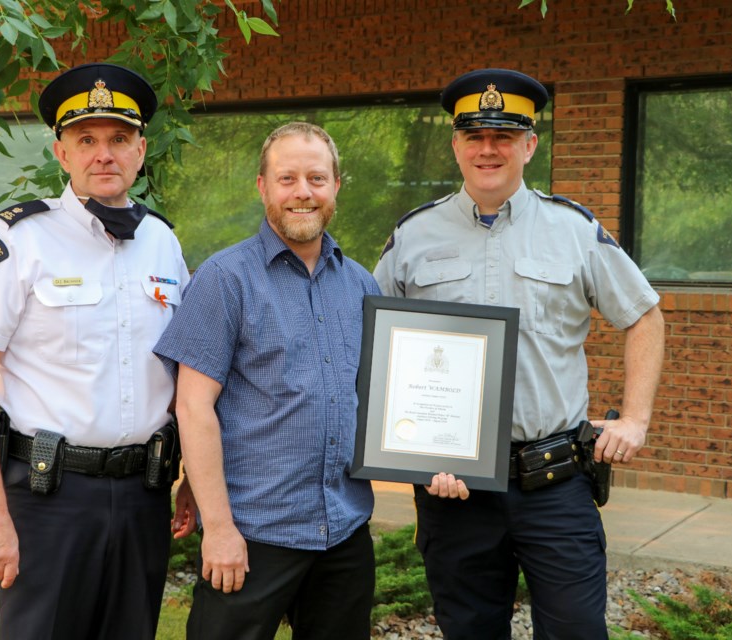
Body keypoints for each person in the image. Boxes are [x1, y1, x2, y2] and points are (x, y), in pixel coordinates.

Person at [373, 68, 665, 639]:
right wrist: (409, 456)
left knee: (577, 632)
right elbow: (376, 348)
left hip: (554, 485)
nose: (489, 149)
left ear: (530, 145)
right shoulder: (412, 238)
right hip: (451, 489)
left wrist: (635, 419)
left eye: (503, 137)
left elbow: (644, 315)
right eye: (475, 137)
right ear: (456, 145)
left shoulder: (574, 230)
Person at [0, 62, 197, 640]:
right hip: (45, 501)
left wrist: (194, 480)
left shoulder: (162, 239)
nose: (102, 154)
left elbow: (186, 373)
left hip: (143, 497)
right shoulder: (17, 239)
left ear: (140, 150)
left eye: (118, 139)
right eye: (87, 140)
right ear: (62, 154)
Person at [154, 122, 380, 640]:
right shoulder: (225, 278)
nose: (303, 192)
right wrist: (220, 530)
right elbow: (193, 407)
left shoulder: (361, 284)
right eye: (287, 178)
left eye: (317, 178)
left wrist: (436, 458)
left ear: (337, 186)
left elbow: (377, 400)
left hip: (343, 533)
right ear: (262, 186)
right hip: (253, 536)